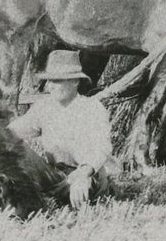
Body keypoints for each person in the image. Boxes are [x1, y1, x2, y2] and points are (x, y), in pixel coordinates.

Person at [7, 50, 114, 209]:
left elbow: (101, 147)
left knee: (82, 187)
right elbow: (13, 131)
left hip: (88, 175)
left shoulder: (92, 108)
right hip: (57, 176)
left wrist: (83, 174)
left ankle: (49, 197)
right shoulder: (44, 107)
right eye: (49, 80)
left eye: (56, 81)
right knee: (12, 146)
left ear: (75, 81)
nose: (50, 86)